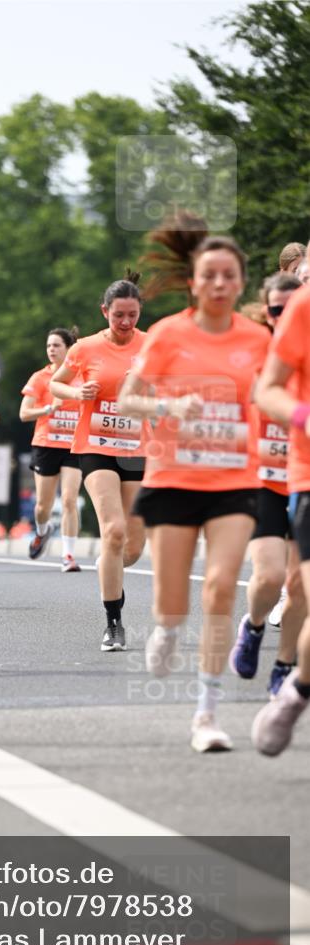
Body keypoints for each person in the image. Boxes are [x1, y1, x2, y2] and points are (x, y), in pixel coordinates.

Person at [118, 213, 269, 752]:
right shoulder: (168, 335)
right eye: (210, 275)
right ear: (194, 282)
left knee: (222, 586)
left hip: (234, 478)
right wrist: (168, 406)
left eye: (229, 275)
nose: (220, 284)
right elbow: (128, 399)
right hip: (173, 478)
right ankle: (166, 628)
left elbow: (272, 395)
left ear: (242, 282)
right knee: (172, 600)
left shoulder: (257, 340)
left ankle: (206, 714)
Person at [52, 277, 147, 647]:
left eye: (132, 315)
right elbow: (56, 384)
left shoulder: (150, 344)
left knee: (133, 547)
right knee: (114, 531)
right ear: (105, 311)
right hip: (95, 445)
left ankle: (109, 565)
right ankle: (113, 622)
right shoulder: (85, 347)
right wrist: (77, 393)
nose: (125, 322)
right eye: (118, 315)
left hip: (136, 447)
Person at [229, 272, 306, 694]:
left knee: (299, 586)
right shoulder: (251, 353)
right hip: (262, 480)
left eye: (293, 307)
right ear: (266, 311)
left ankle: (283, 667)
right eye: (277, 309)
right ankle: (254, 625)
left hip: (302, 479)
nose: (285, 315)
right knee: (271, 576)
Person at [251, 245, 310, 755]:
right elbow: (267, 389)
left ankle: (295, 680)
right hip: (298, 473)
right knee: (286, 584)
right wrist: (302, 416)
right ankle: (296, 689)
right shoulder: (303, 310)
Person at [20, 327, 83, 573]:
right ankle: (42, 531)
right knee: (42, 506)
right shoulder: (40, 377)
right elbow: (24, 413)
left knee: (69, 499)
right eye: (48, 346)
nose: (51, 350)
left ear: (69, 349)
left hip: (73, 446)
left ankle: (68, 555)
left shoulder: (80, 377)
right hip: (46, 444)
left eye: (56, 345)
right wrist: (48, 410)